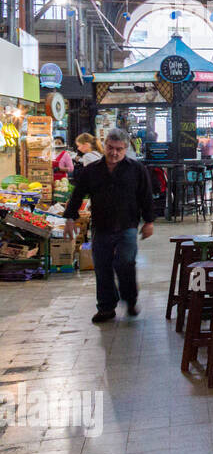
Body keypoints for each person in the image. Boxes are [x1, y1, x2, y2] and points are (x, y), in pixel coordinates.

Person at [63, 128, 154, 323]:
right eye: (110, 148)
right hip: (101, 226)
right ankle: (106, 307)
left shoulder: (136, 169)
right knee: (102, 267)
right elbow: (77, 195)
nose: (114, 153)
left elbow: (146, 196)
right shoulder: (92, 170)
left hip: (127, 225)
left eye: (119, 149)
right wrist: (70, 218)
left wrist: (149, 221)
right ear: (104, 146)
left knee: (125, 263)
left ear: (126, 148)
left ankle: (130, 300)